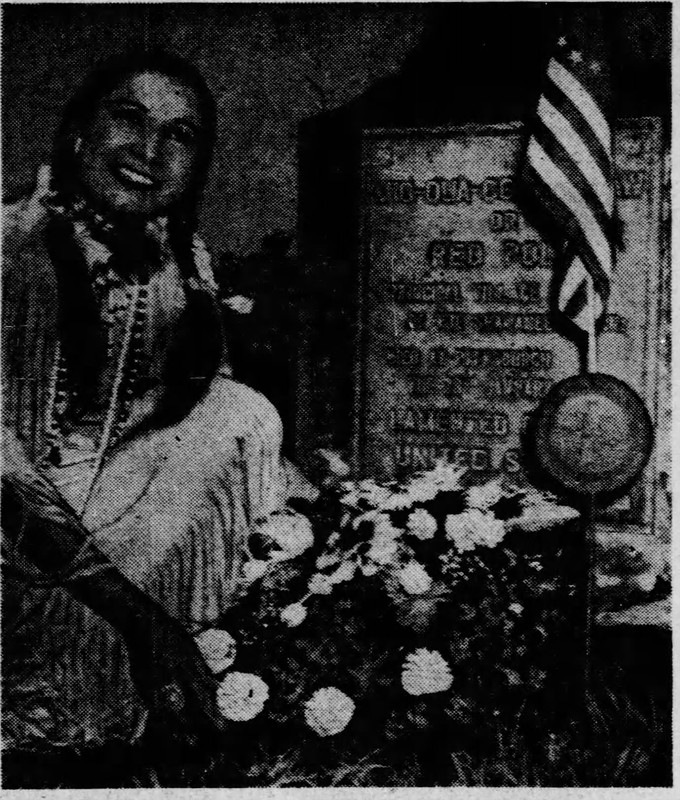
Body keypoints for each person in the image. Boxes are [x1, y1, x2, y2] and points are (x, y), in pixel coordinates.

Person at [2, 50, 307, 752]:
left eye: (179, 135)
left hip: (104, 520)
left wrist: (324, 525)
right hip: (16, 532)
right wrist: (142, 619)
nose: (149, 150)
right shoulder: (12, 245)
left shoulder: (180, 263)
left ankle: (178, 680)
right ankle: (65, 690)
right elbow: (6, 473)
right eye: (129, 119)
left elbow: (197, 428)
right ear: (78, 133)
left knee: (242, 415)